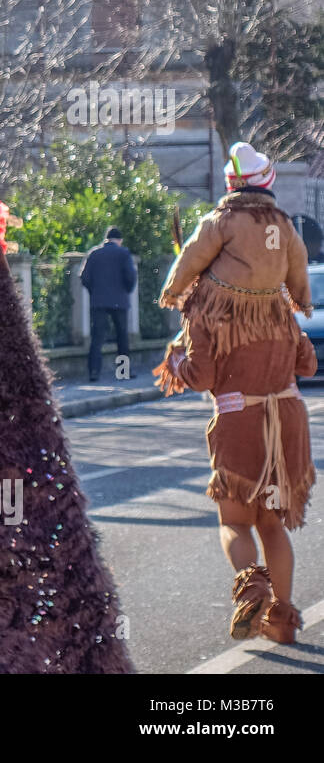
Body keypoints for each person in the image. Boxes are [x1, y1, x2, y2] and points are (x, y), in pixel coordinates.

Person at [155, 141, 315, 643]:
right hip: (287, 423)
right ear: (267, 186)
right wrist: (293, 307)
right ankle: (283, 620)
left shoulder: (206, 311)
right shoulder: (280, 306)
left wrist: (178, 352)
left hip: (240, 426)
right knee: (274, 524)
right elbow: (307, 363)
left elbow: (199, 376)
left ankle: (251, 591)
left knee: (235, 521)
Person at [79, 226, 136, 381]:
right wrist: (126, 291)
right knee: (122, 337)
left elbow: (84, 277)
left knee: (97, 338)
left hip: (99, 301)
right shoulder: (123, 253)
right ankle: (123, 372)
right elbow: (131, 277)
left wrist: (94, 292)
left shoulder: (94, 253)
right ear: (120, 240)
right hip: (120, 301)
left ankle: (94, 372)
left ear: (106, 239)